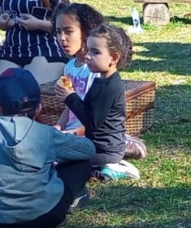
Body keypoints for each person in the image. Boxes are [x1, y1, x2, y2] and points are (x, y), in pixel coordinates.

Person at [0, 68, 97, 228]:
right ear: (39, 108)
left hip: (1, 223)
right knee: (82, 163)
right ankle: (74, 197)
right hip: (47, 215)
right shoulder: (45, 133)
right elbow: (88, 150)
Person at [59, 24, 139, 179]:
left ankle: (115, 170)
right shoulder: (101, 80)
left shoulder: (110, 87)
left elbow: (92, 122)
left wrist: (70, 97)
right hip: (95, 145)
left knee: (65, 163)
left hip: (106, 151)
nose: (88, 56)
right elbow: (87, 108)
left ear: (114, 58)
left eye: (95, 52)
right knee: (62, 154)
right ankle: (102, 169)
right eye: (88, 50)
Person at [52, 2, 105, 134]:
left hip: (88, 133)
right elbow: (68, 107)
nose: (62, 38)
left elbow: (98, 118)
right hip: (70, 132)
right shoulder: (69, 67)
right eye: (58, 32)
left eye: (68, 31)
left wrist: (72, 133)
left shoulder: (96, 70)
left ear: (86, 32)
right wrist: (57, 127)